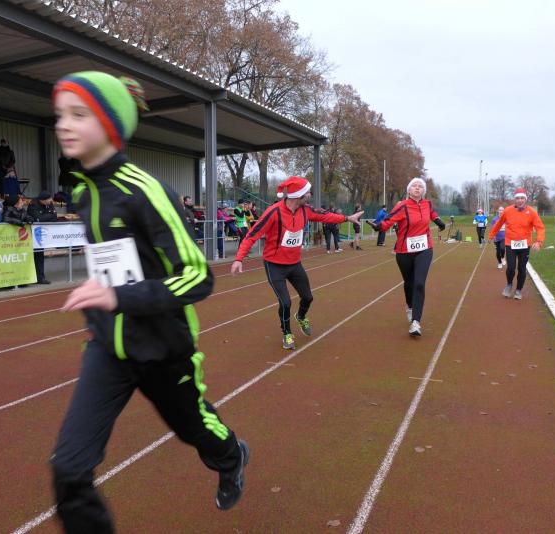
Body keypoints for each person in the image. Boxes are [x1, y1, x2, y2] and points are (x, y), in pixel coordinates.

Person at [51, 71, 248, 531]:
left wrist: (117, 295)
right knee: (69, 469)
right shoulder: (82, 191)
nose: (64, 125)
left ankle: (231, 456)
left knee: (194, 430)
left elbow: (198, 277)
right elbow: (115, 261)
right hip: (107, 348)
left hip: (161, 347)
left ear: (110, 124)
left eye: (78, 115)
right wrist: (104, 301)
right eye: (60, 115)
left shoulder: (145, 191)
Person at [231, 176, 362, 349]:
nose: (309, 195)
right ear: (298, 195)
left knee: (308, 297)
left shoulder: (305, 210)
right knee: (285, 302)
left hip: (294, 264)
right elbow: (252, 235)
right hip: (274, 265)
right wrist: (239, 259)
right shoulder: (273, 212)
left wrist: (347, 218)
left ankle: (300, 316)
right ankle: (287, 333)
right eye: (307, 193)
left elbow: (325, 216)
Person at [368, 178, 446, 336]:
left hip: (425, 249)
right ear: (409, 190)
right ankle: (410, 306)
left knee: (419, 283)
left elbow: (432, 213)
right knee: (409, 283)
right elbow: (389, 220)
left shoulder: (427, 204)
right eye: (414, 186)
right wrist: (378, 226)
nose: (417, 188)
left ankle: (416, 322)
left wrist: (438, 220)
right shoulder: (402, 206)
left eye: (420, 186)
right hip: (404, 251)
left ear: (423, 191)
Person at [486, 188, 545, 300]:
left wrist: (539, 242)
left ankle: (518, 290)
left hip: (525, 245)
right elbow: (498, 224)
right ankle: (509, 284)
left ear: (525, 199)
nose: (520, 200)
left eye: (522, 198)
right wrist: (491, 235)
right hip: (510, 244)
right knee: (511, 268)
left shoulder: (531, 212)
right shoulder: (507, 211)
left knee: (522, 268)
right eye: (517, 198)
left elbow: (540, 227)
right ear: (515, 199)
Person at [27, 191, 58, 284]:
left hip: (42, 234)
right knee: (33, 256)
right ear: (43, 200)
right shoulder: (33, 204)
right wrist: (50, 215)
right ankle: (31, 277)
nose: (51, 201)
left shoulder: (49, 204)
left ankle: (40, 277)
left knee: (40, 255)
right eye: (49, 200)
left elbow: (55, 217)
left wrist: (47, 216)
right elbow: (38, 219)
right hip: (32, 233)